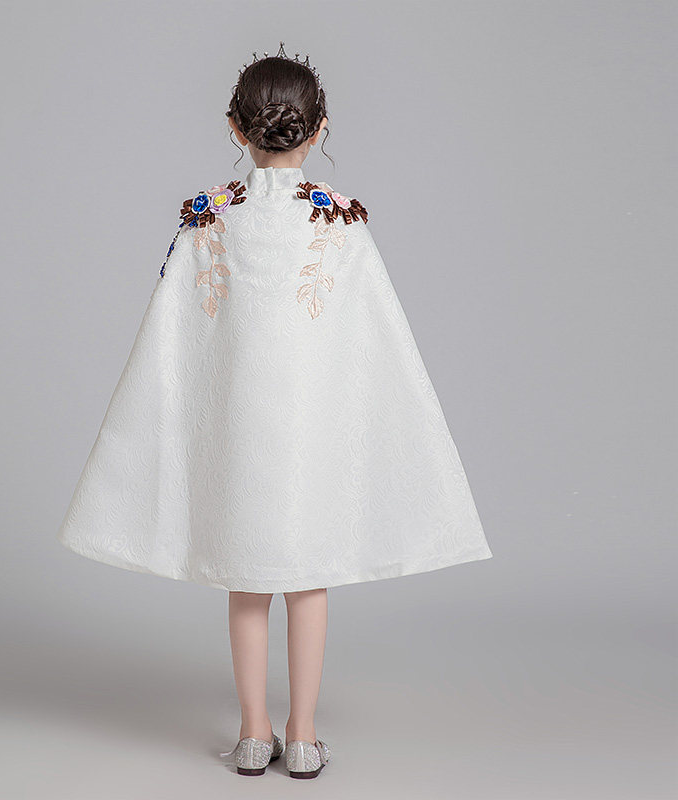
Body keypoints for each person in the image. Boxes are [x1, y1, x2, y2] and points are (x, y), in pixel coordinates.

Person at [57, 43, 493, 780]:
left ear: (235, 128)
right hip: (310, 428)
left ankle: (253, 732)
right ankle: (304, 734)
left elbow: (175, 336)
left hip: (237, 427)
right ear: (320, 130)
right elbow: (374, 336)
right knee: (308, 576)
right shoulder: (339, 223)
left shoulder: (209, 219)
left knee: (247, 576)